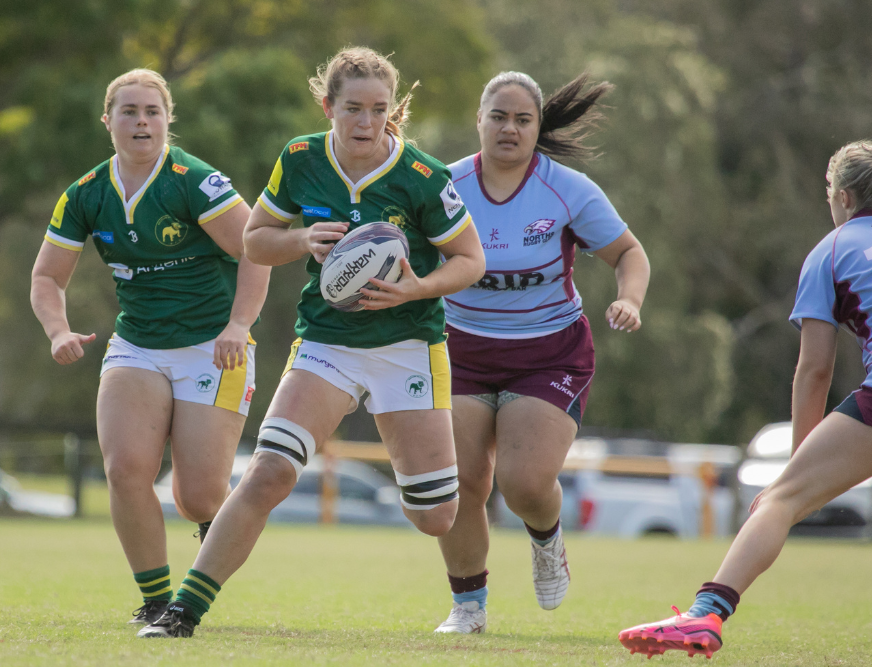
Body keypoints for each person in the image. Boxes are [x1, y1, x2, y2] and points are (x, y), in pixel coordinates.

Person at [618, 121, 872, 667]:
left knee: (779, 499)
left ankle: (705, 612)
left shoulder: (833, 247)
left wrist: (798, 468)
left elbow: (814, 370)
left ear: (842, 197)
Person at [137, 47, 485, 639]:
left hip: (408, 345)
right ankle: (182, 612)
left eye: (377, 110)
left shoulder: (422, 175)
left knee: (435, 515)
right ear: (328, 106)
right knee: (269, 470)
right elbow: (255, 241)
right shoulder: (299, 159)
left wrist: (415, 288)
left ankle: (469, 600)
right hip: (326, 342)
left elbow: (471, 260)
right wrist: (301, 240)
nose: (366, 124)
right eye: (352, 109)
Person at [30, 69, 270, 626]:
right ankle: (159, 600)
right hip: (137, 345)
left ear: (167, 120)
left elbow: (256, 249)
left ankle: (217, 526)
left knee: (200, 498)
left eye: (153, 112)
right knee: (126, 469)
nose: (142, 121)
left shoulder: (194, 180)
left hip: (214, 346)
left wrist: (239, 324)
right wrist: (59, 331)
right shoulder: (86, 194)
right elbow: (47, 277)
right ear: (108, 120)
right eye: (130, 111)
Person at [432, 72, 650, 634]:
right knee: (460, 484)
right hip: (461, 351)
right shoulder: (443, 185)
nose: (509, 128)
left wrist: (630, 299)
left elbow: (629, 253)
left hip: (548, 354)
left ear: (537, 128)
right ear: (478, 121)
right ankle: (468, 608)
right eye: (498, 117)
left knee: (524, 483)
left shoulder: (567, 189)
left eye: (523, 119)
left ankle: (547, 540)